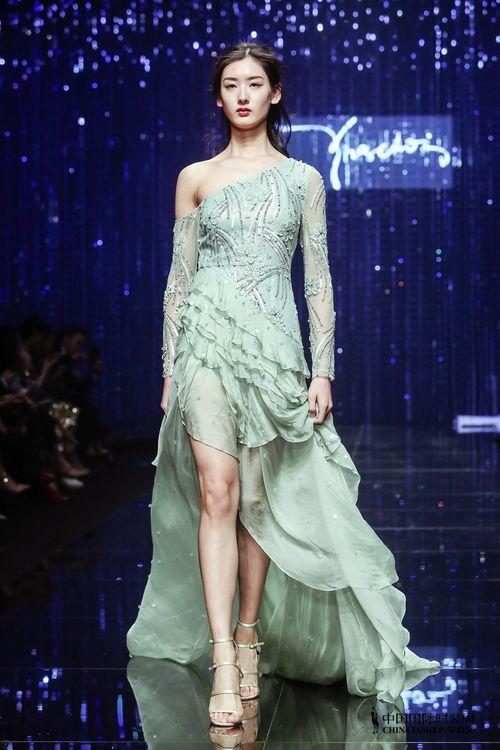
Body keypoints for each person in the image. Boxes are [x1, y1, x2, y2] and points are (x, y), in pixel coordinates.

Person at [126, 41, 440, 728]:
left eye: (254, 84)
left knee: (257, 502)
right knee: (217, 492)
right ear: (218, 97)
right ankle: (222, 658)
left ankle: (248, 635)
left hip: (273, 350)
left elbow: (317, 279)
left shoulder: (303, 179)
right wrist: (170, 368)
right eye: (230, 85)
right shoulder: (195, 178)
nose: (242, 95)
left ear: (274, 94)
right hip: (206, 344)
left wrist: (323, 368)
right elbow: (178, 282)